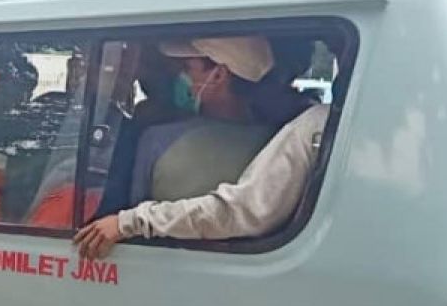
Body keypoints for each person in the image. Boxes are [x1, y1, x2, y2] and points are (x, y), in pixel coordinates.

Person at [73, 100, 329, 259]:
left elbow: (240, 212)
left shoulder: (314, 124)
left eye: (189, 66)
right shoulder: (306, 124)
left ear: (218, 74)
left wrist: (129, 222)